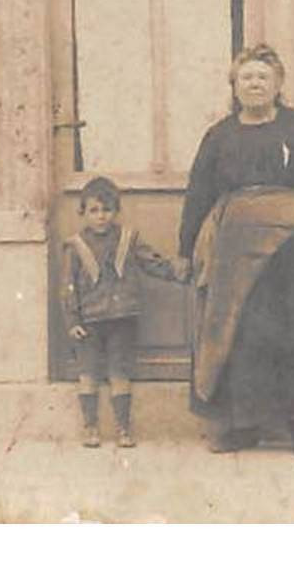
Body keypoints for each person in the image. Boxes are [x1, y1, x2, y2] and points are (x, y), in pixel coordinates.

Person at [177, 43, 294, 457]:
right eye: (247, 77)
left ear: (278, 84)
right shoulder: (219, 136)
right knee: (239, 335)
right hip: (235, 253)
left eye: (263, 76)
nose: (255, 83)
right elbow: (198, 195)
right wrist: (186, 249)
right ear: (234, 86)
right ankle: (243, 429)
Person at [60, 175, 183, 448]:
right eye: (94, 210)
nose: (101, 216)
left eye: (107, 210)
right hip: (89, 322)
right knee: (88, 373)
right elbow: (68, 286)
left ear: (115, 211)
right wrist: (72, 321)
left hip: (122, 319)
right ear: (83, 212)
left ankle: (123, 430)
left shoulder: (128, 238)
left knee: (119, 373)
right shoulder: (76, 246)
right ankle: (90, 428)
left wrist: (179, 272)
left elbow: (152, 263)